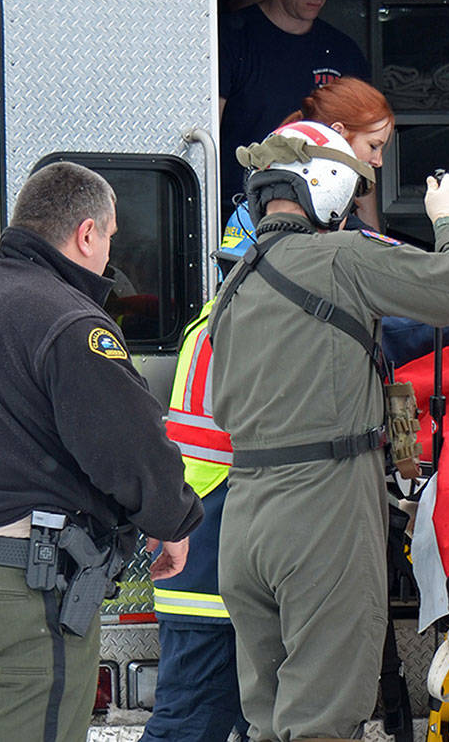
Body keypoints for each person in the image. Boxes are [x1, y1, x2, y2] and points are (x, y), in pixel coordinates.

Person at [0, 161, 204, 742]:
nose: (110, 254)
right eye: (110, 237)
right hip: (21, 596)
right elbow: (126, 443)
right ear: (86, 233)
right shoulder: (69, 321)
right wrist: (172, 521)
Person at [208, 121, 449, 741]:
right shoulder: (344, 256)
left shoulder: (234, 282)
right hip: (321, 510)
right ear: (330, 188)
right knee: (323, 720)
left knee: (268, 717)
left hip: (245, 513)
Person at [141, 298, 249, 742]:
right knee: (190, 722)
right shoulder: (248, 319)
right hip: (212, 561)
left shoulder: (215, 318)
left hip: (199, 549)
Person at [218, 0, 370, 220]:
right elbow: (206, 134)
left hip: (329, 217)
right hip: (243, 212)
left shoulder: (343, 52)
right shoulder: (229, 39)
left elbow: (361, 155)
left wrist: (375, 236)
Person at [279, 76, 394, 231]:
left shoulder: (266, 198)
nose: (378, 162)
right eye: (373, 146)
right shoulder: (315, 220)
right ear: (337, 133)